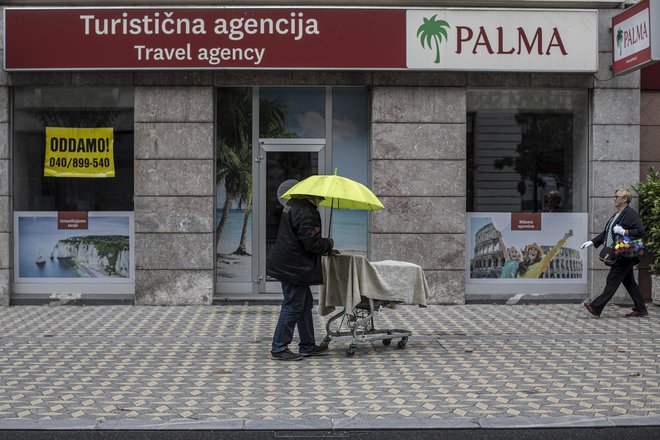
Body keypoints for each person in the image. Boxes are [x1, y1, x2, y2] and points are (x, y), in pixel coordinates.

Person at [267, 194, 336, 361]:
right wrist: (328, 243)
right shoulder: (307, 211)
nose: (322, 199)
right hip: (294, 267)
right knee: (293, 305)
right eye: (321, 197)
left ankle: (307, 345)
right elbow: (311, 243)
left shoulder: (293, 204)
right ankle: (279, 347)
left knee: (304, 305)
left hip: (290, 263)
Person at [580, 188, 647, 318]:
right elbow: (606, 232)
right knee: (629, 281)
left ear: (624, 199)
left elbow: (640, 231)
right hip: (620, 253)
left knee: (612, 280)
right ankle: (641, 309)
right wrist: (592, 242)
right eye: (615, 196)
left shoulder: (631, 214)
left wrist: (624, 232)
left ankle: (595, 307)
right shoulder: (617, 214)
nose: (614, 198)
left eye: (617, 196)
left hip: (625, 254)